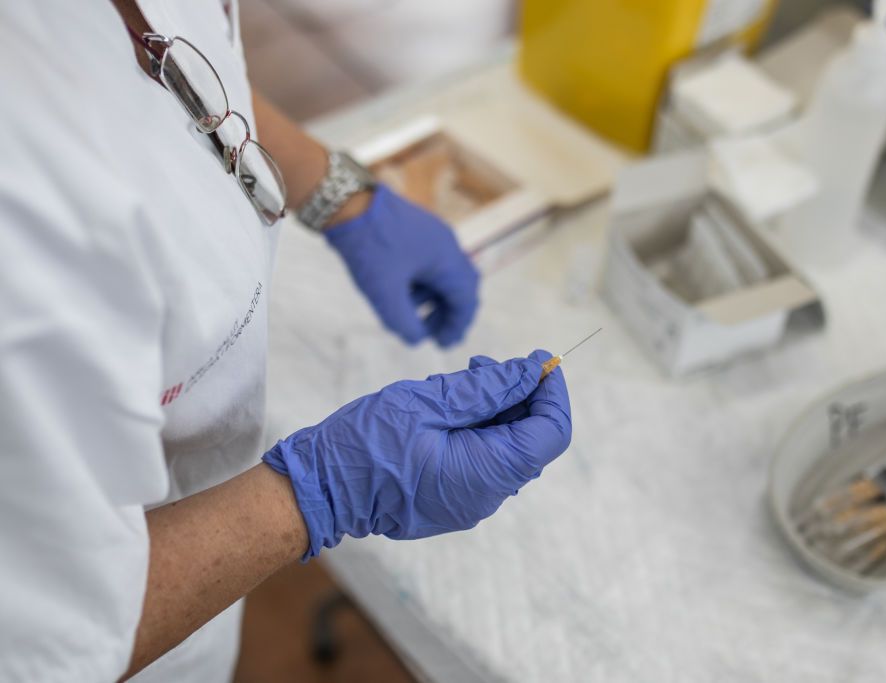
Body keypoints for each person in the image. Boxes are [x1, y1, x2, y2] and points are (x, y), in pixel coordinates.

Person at [0, 1, 573, 681]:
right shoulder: (23, 210)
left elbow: (172, 59)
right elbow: (50, 631)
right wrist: (323, 491)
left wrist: (333, 188)